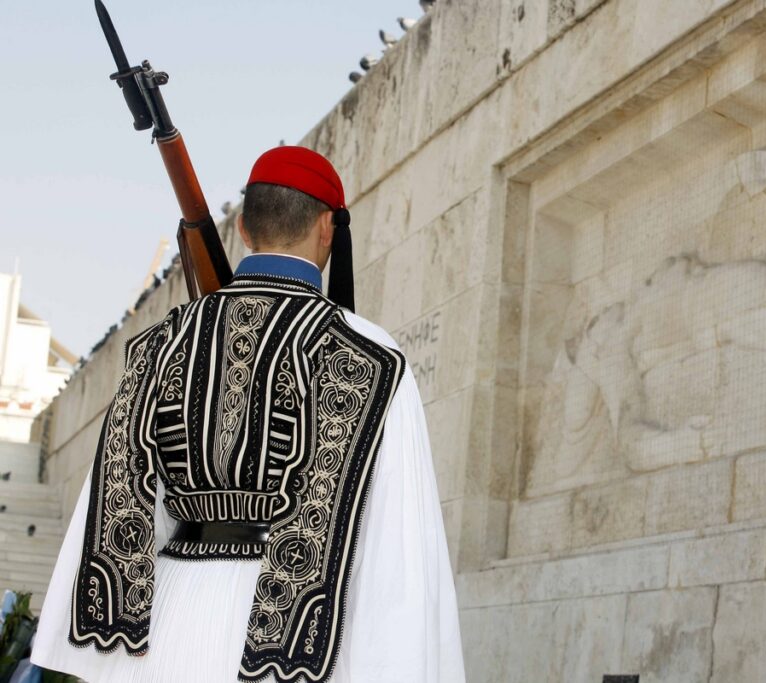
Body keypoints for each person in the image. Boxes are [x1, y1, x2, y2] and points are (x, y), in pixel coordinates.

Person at [29, 146, 466, 682]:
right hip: (294, 645)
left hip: (163, 627)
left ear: (242, 229)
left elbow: (121, 493)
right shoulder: (370, 355)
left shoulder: (161, 343)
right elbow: (395, 543)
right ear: (328, 228)